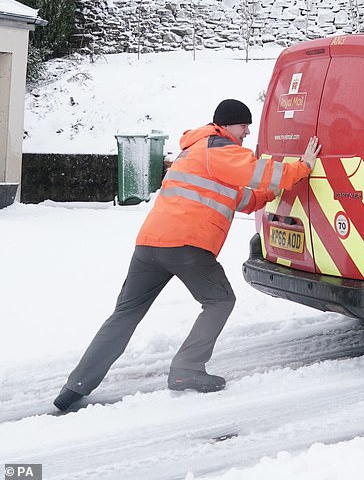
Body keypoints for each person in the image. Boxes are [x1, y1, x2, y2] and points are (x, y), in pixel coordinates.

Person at [53, 99, 321, 411]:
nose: (248, 131)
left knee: (124, 315)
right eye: (243, 124)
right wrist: (303, 167)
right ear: (226, 124)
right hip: (186, 245)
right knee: (220, 300)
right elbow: (261, 172)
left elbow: (243, 197)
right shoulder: (220, 148)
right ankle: (186, 369)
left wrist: (276, 191)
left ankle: (75, 386)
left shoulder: (197, 151)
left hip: (150, 244)